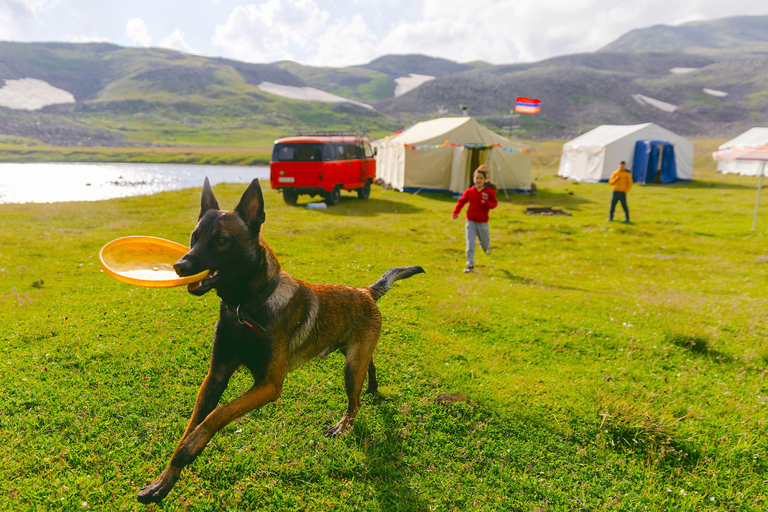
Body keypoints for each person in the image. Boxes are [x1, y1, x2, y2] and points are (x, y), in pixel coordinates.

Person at [452, 165, 498, 272]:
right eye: (476, 178)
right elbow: (461, 201)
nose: (478, 180)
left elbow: (494, 204)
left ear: (485, 180)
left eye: (481, 178)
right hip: (470, 221)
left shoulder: (488, 191)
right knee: (470, 243)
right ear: (473, 179)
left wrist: (486, 203)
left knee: (485, 243)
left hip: (482, 222)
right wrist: (456, 212)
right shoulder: (470, 191)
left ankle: (486, 248)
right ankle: (470, 265)